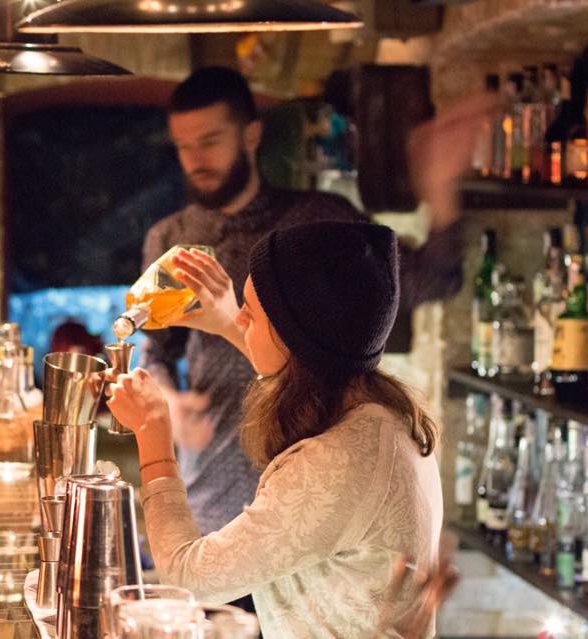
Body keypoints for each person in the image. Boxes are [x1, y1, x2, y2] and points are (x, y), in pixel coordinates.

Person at [138, 66, 490, 540]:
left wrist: (441, 189)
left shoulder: (316, 221)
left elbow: (431, 278)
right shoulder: (170, 237)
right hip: (214, 492)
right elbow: (156, 350)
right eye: (183, 146)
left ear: (251, 134)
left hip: (318, 491)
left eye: (210, 140)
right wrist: (171, 403)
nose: (195, 158)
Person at [107, 221, 444, 638]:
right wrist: (227, 319)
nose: (240, 315)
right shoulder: (378, 413)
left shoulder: (336, 463)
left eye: (251, 308)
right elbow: (297, 355)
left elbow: (189, 576)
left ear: (297, 337)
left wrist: (153, 434)